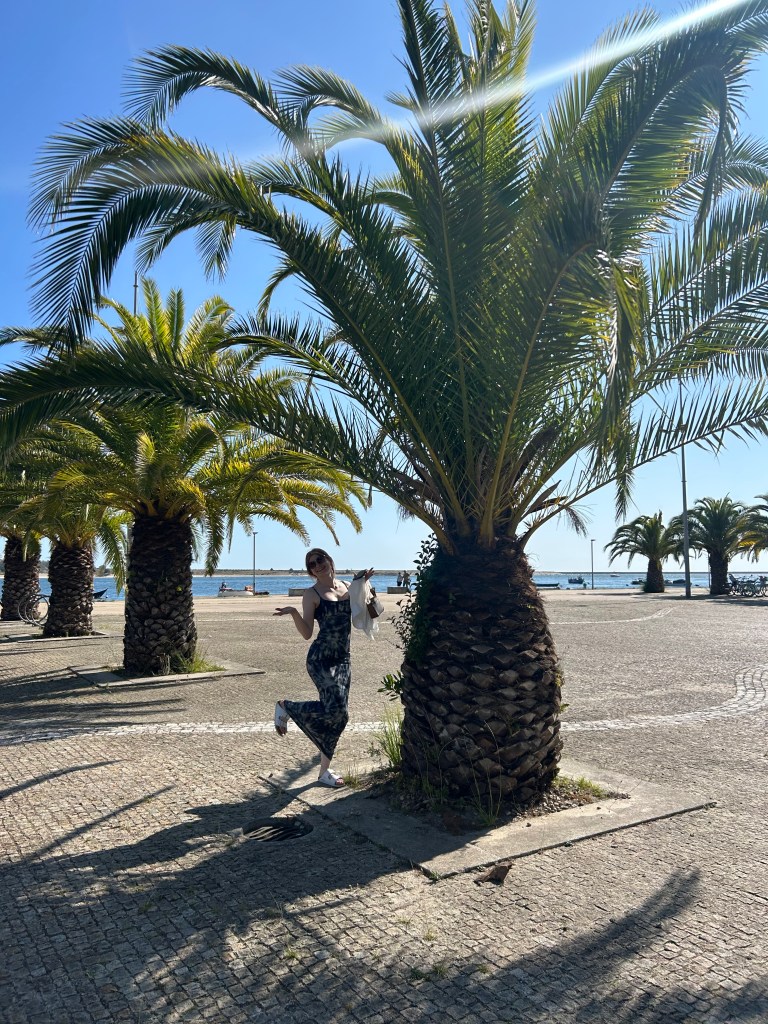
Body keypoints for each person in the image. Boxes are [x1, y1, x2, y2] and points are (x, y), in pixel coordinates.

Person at [273, 548, 374, 787]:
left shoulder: (348, 586)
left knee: (337, 716)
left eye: (320, 560)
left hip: (343, 659)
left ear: (329, 560)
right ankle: (286, 706)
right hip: (320, 659)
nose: (317, 565)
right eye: (312, 564)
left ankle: (324, 772)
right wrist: (294, 613)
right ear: (310, 571)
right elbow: (307, 633)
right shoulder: (312, 594)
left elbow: (365, 616)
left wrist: (364, 587)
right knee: (339, 711)